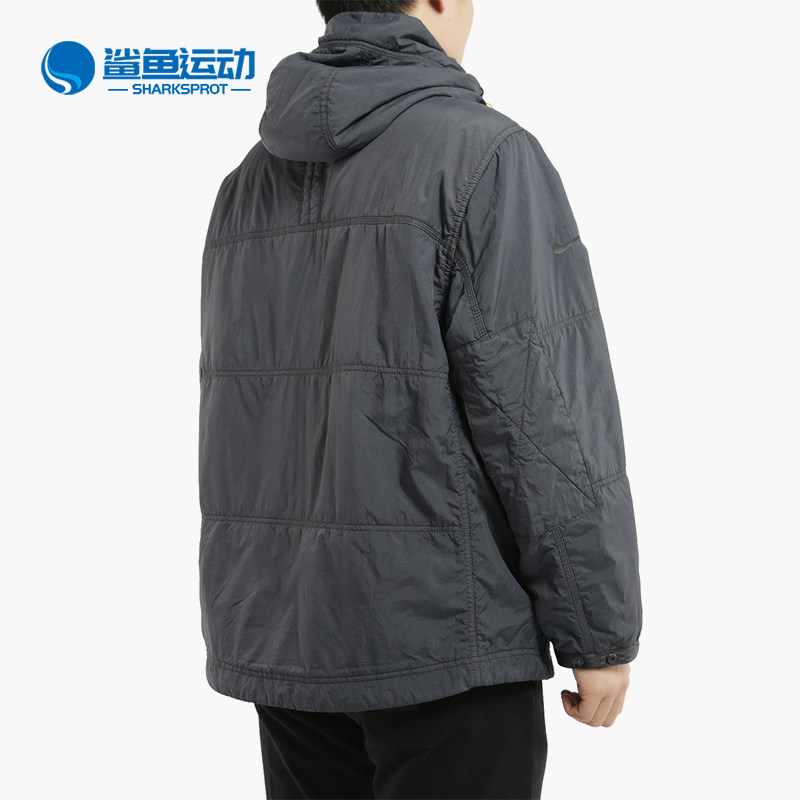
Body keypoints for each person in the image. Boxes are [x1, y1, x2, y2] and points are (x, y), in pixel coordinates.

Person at [197, 1, 643, 797]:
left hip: (286, 639)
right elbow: (542, 409)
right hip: (444, 639)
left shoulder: (247, 180)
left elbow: (239, 414)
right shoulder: (483, 153)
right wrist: (597, 627)